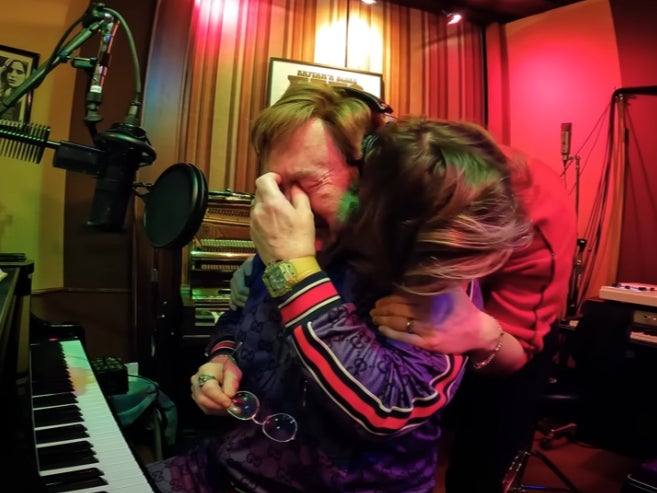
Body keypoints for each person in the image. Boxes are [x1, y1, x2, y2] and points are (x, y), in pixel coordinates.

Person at [146, 82, 532, 493]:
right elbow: (239, 318)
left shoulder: (422, 268)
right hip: (223, 469)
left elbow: (389, 408)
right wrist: (222, 358)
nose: (281, 204)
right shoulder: (283, 240)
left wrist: (294, 269)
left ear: (368, 177)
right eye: (273, 183)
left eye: (307, 184)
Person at [369, 145, 577, 493]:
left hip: (509, 343)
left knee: (478, 474)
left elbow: (517, 352)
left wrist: (480, 334)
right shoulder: (387, 165)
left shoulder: (538, 219)